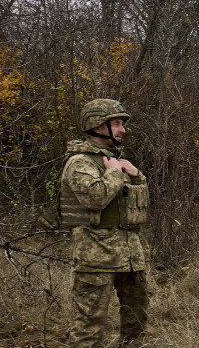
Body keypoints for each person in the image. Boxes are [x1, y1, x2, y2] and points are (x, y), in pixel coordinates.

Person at [60, 99, 150, 347]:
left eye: (122, 124)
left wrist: (137, 176)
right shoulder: (80, 162)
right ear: (98, 127)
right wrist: (114, 173)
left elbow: (136, 202)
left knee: (137, 322)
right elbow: (94, 197)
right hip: (96, 257)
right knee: (89, 327)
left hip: (130, 254)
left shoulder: (113, 160)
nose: (123, 130)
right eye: (117, 123)